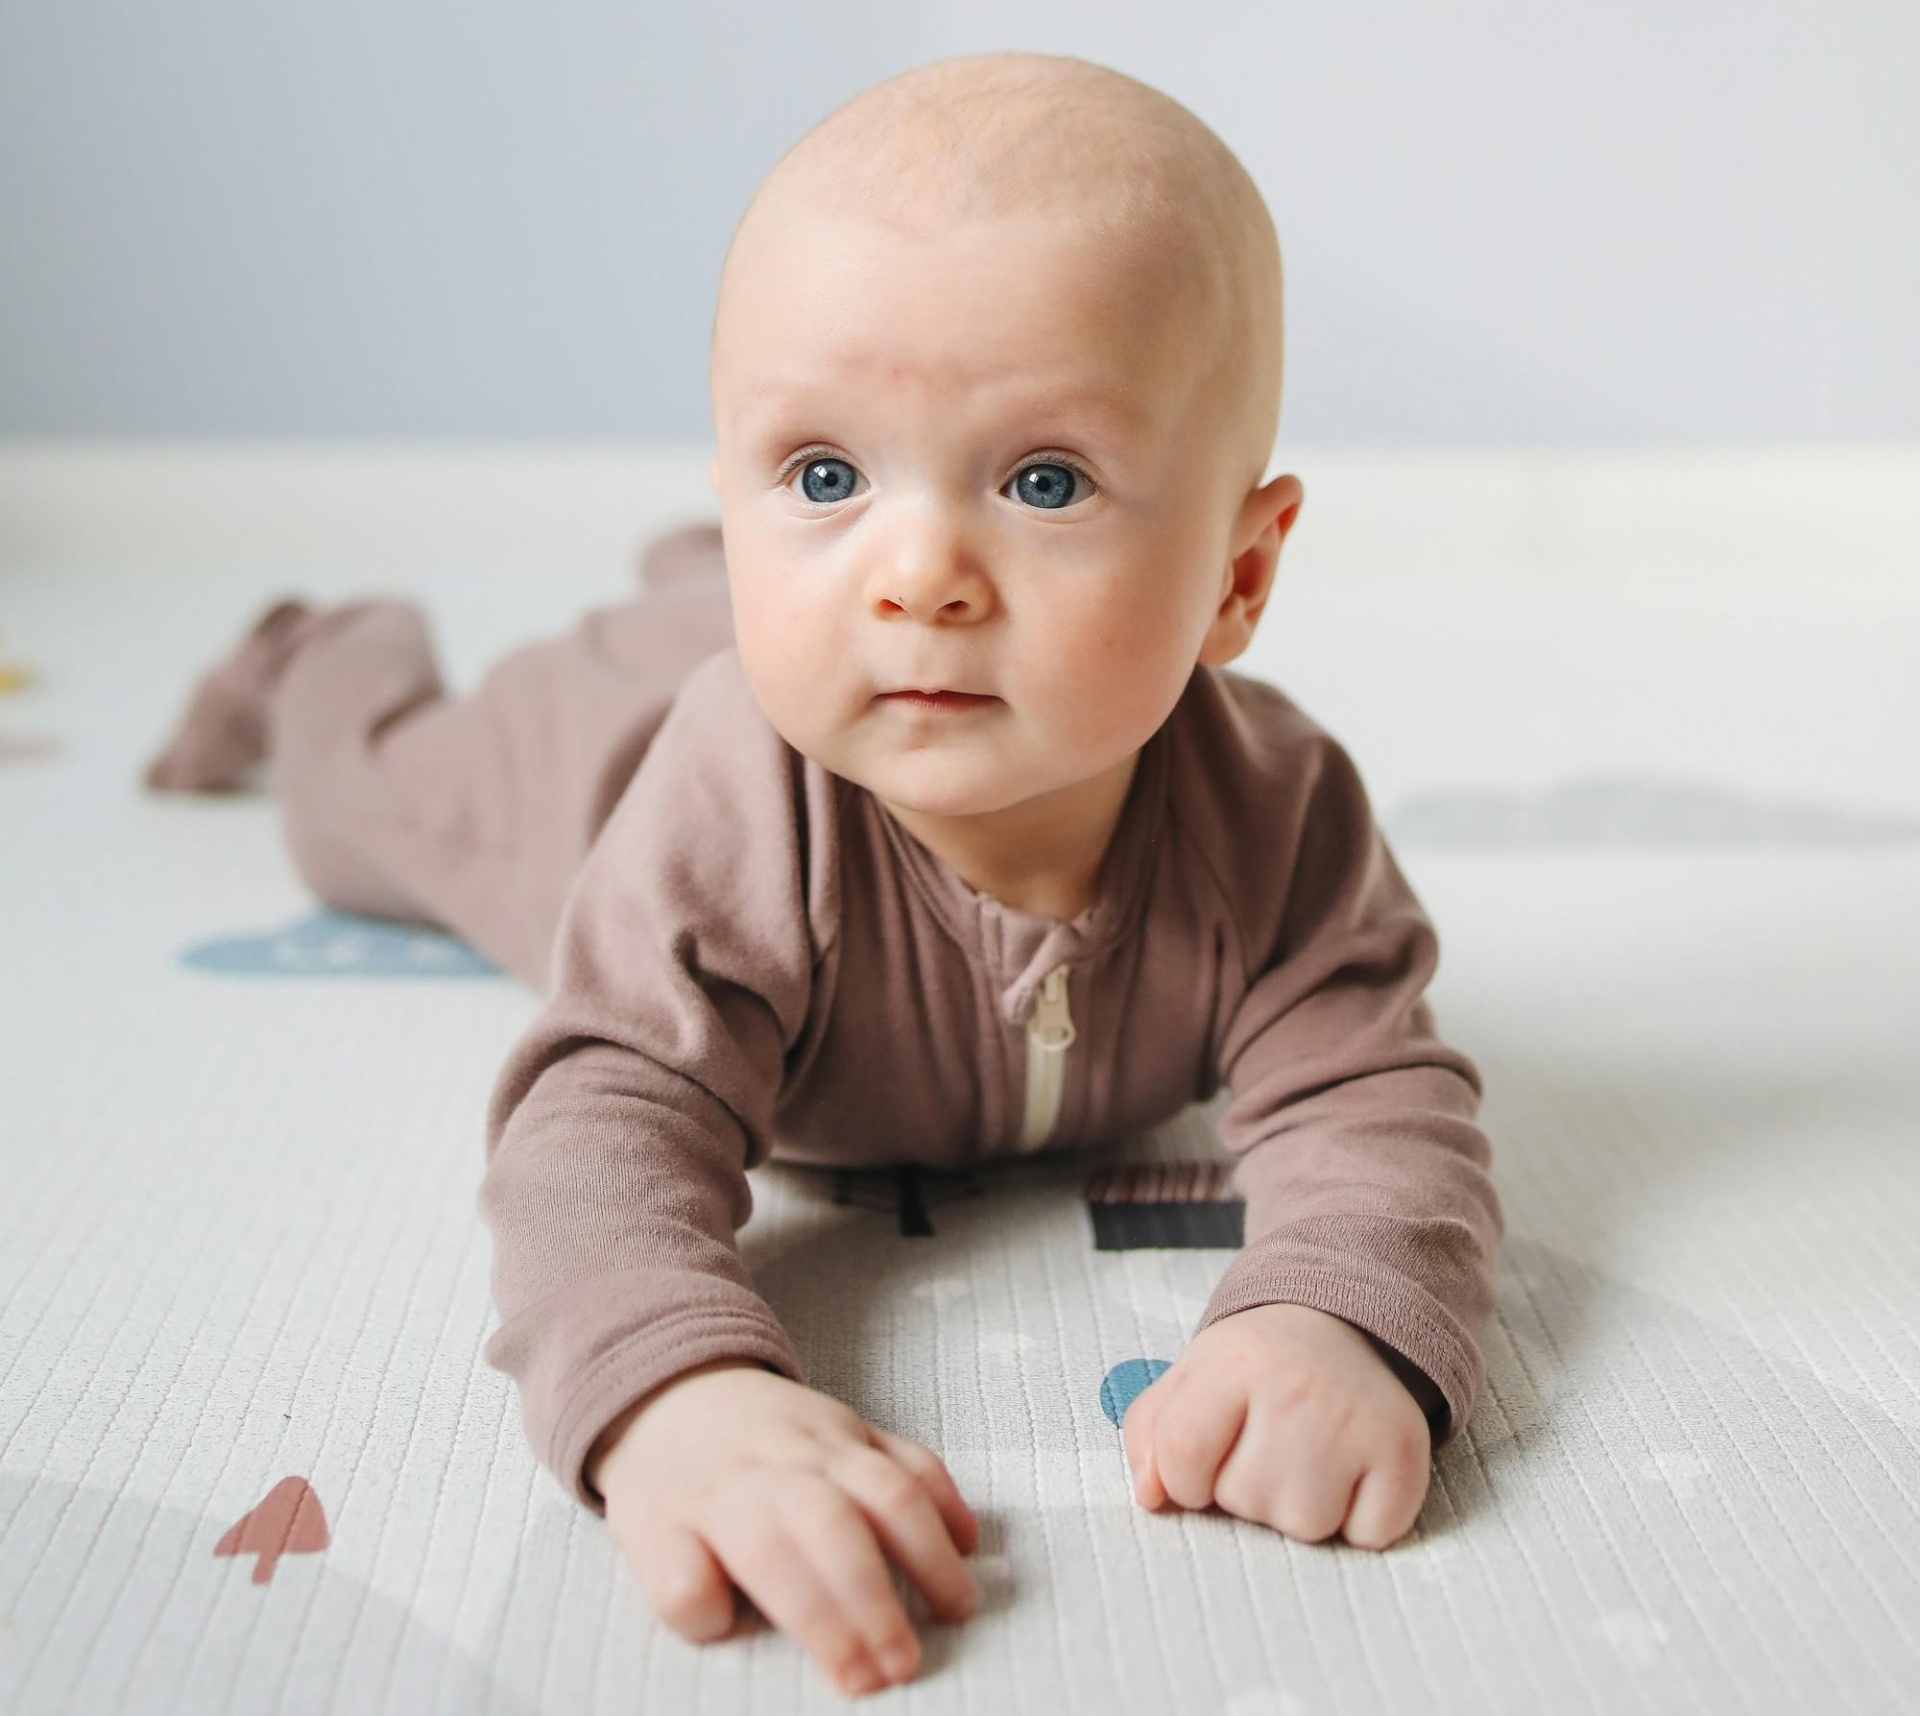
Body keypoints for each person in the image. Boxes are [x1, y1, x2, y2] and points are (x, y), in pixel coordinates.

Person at [145, 52, 1503, 1700]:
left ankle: (706, 562)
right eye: (823, 474)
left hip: (754, 642)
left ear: (1239, 570)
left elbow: (1379, 1099)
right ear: (740, 499)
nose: (920, 573)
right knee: (354, 813)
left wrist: (1334, 1321)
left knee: (782, 614)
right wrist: (678, 1397)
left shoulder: (1274, 818)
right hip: (584, 770)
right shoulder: (734, 821)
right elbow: (599, 1125)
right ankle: (323, 648)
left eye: (1046, 481)